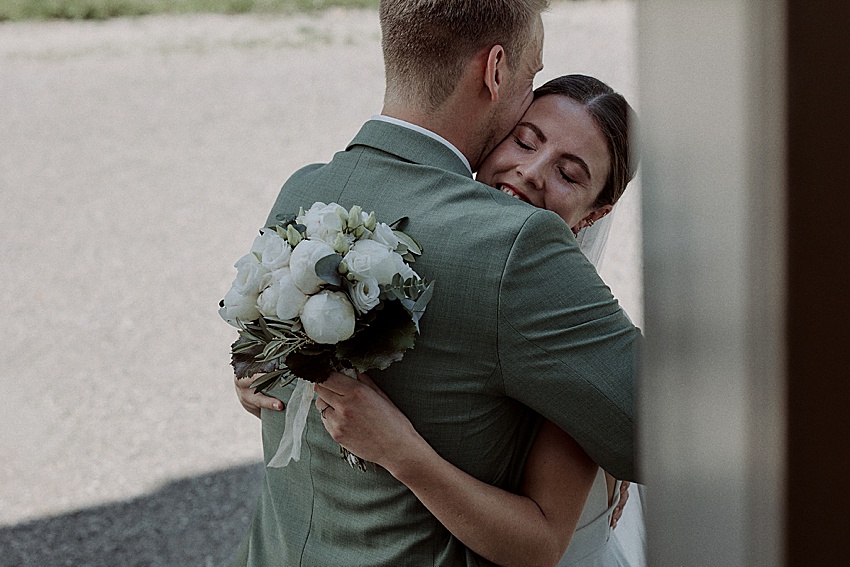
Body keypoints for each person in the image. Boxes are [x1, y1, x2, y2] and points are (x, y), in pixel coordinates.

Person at [232, 1, 641, 565]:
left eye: (570, 173)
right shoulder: (517, 249)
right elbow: (661, 437)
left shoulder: (306, 193)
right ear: (496, 70)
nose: (529, 170)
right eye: (532, 76)